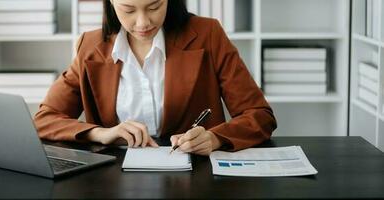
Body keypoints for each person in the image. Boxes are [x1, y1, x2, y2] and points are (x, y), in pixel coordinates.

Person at [34, 0, 277, 155]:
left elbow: (259, 115)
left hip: (195, 180)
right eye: (128, 9)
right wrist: (100, 133)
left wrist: (215, 138)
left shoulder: (208, 34)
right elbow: (45, 119)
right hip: (110, 181)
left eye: (154, 6)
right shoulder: (91, 45)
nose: (142, 22)